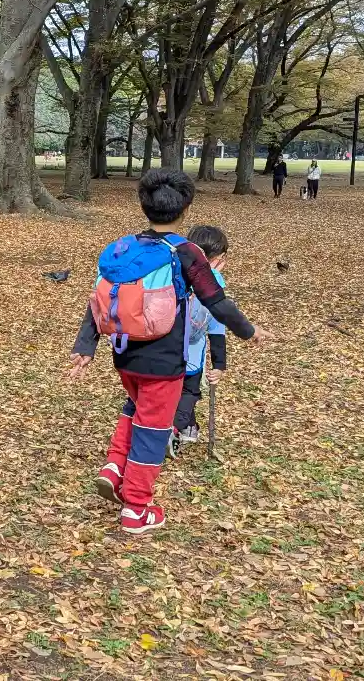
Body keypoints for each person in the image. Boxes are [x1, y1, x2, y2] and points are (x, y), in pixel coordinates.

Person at [68, 169, 273, 533]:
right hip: (164, 363)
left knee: (135, 409)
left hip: (124, 355)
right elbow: (217, 302)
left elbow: (98, 300)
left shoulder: (123, 248)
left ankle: (115, 466)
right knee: (154, 430)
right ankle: (136, 509)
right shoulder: (186, 252)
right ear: (186, 207)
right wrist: (250, 331)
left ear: (144, 205)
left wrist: (85, 345)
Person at [170, 225, 231, 455]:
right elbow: (217, 329)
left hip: (164, 350)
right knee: (189, 393)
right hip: (192, 355)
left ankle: (189, 428)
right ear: (217, 258)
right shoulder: (215, 286)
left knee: (173, 392)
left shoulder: (174, 272)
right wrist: (220, 365)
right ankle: (173, 430)